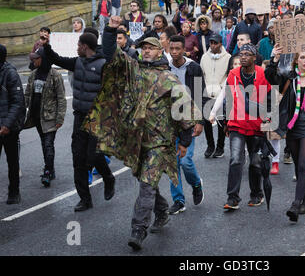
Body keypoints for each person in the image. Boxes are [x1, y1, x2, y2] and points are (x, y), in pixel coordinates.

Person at [86, 17, 197, 250]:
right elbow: (110, 53)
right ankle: (162, 210)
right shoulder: (133, 70)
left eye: (151, 48)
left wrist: (185, 141)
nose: (146, 51)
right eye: (144, 47)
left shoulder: (170, 80)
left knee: (147, 183)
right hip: (135, 140)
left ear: (160, 52)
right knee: (146, 180)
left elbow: (185, 111)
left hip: (160, 143)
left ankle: (138, 229)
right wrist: (110, 29)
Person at [41, 32, 116, 212]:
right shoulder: (77, 62)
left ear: (85, 46)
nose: (76, 48)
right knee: (78, 158)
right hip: (80, 116)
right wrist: (46, 46)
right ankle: (85, 199)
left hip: (97, 118)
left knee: (94, 155)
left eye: (78, 45)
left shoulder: (103, 64)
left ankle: (108, 177)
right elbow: (56, 59)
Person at [265, 44, 305, 222]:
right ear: (296, 60)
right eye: (302, 57)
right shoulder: (289, 77)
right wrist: (275, 59)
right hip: (292, 127)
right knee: (298, 165)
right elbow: (271, 78)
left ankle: (295, 204)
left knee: (303, 165)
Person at [222, 43, 272, 210]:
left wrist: (269, 120)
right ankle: (232, 198)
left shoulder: (263, 74)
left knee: (255, 162)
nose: (242, 57)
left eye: (247, 54)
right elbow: (228, 98)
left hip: (257, 125)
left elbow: (270, 98)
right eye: (241, 54)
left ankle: (256, 194)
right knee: (236, 159)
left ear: (254, 57)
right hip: (237, 123)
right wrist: (226, 123)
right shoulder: (233, 74)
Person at [167, 35, 207, 215]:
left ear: (184, 49)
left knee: (185, 161)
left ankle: (196, 183)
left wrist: (200, 121)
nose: (174, 52)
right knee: (172, 163)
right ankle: (178, 200)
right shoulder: (164, 68)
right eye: (172, 49)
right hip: (169, 122)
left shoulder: (193, 68)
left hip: (189, 120)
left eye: (178, 49)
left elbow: (201, 95)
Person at [25, 48, 66, 187]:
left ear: (43, 58)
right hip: (36, 117)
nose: (33, 60)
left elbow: (61, 98)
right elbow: (27, 95)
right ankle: (51, 168)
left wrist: (60, 118)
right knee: (44, 143)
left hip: (50, 117)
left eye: (36, 58)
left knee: (48, 144)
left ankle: (47, 172)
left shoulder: (55, 75)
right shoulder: (33, 75)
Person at [0, 44, 26, 204]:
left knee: (12, 161)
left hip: (9, 127)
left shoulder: (10, 73)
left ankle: (14, 192)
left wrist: (6, 125)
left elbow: (17, 103)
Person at [200, 33, 231, 158]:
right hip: (207, 94)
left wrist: (222, 89)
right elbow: (202, 74)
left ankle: (220, 147)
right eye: (211, 43)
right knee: (207, 123)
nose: (212, 45)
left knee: (220, 123)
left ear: (220, 44)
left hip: (220, 94)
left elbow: (228, 75)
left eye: (215, 43)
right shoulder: (204, 57)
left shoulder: (228, 57)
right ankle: (210, 146)